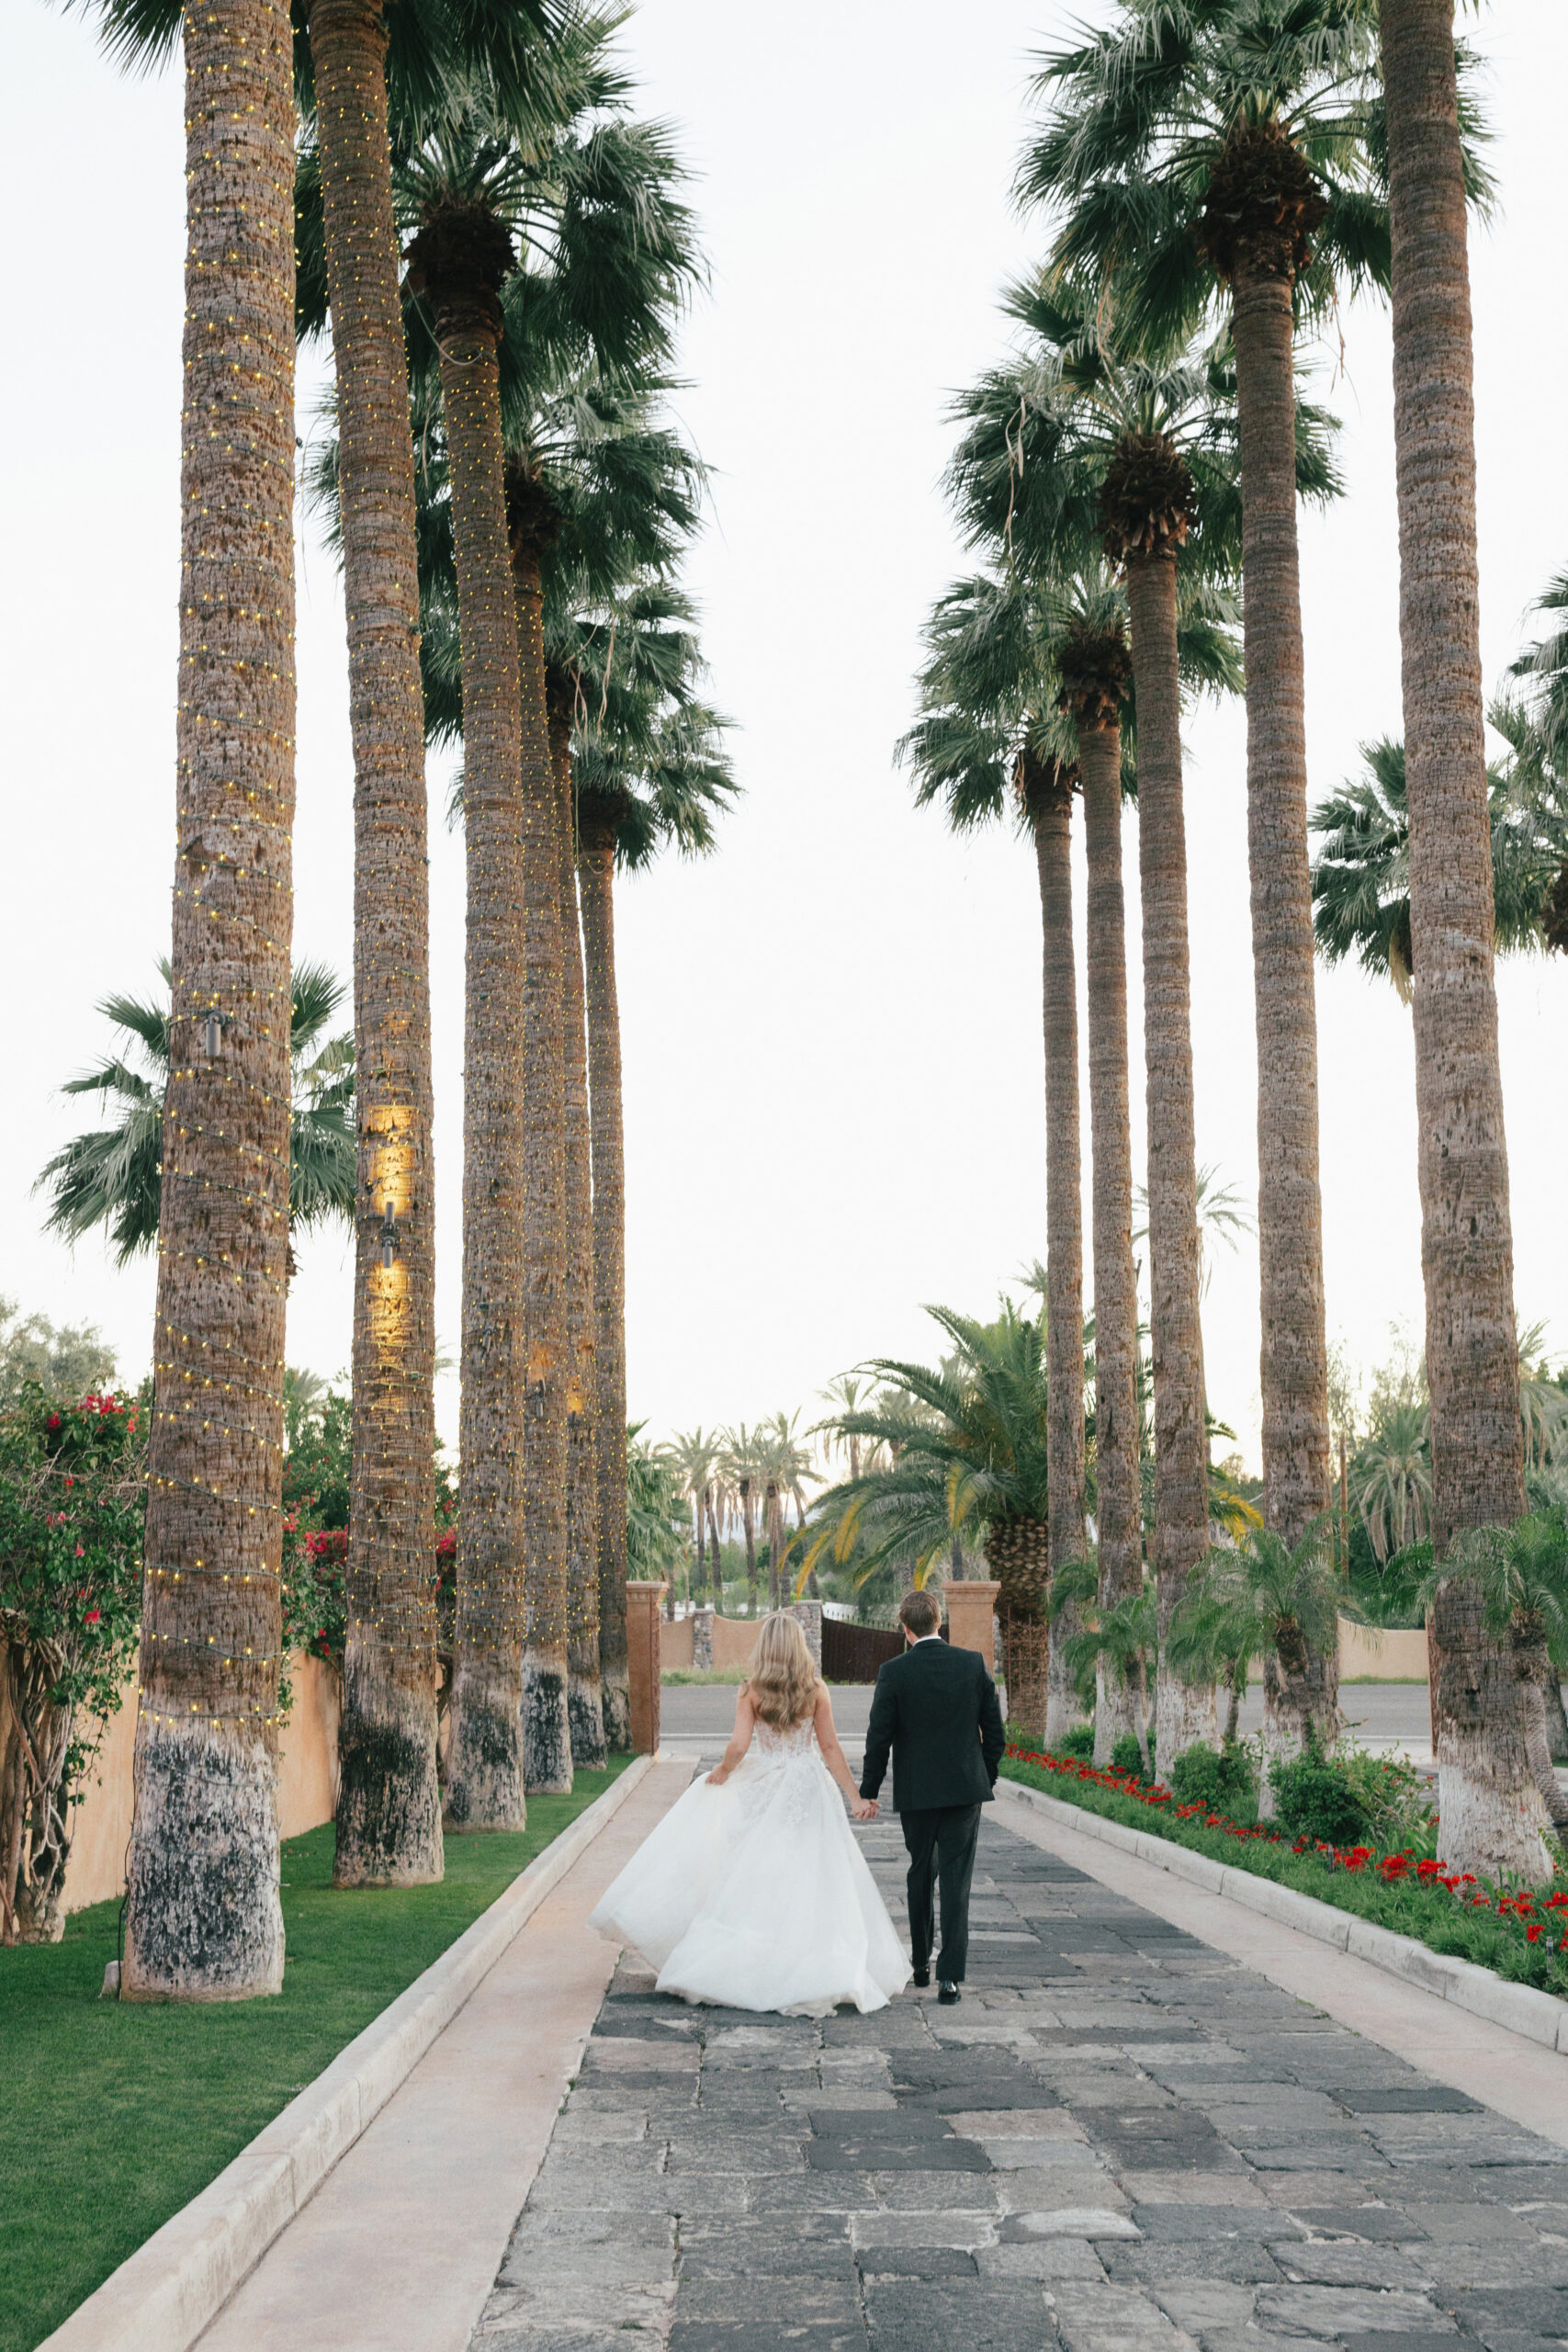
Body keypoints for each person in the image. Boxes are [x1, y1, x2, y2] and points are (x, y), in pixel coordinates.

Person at [588, 1611, 909, 2018]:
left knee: (757, 1867)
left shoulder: (751, 1690)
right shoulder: (816, 1689)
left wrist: (723, 1772)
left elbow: (739, 1746)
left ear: (765, 1647)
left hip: (765, 1783)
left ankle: (752, 1955)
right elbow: (829, 1748)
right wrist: (855, 1798)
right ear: (799, 1647)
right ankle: (811, 1957)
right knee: (812, 1868)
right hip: (809, 1785)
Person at [858, 1587, 1006, 2007]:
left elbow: (878, 1738)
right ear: (939, 1622)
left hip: (917, 1792)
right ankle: (950, 1980)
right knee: (957, 1883)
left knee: (920, 1871)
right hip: (964, 1791)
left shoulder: (893, 1672)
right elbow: (995, 1734)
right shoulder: (972, 1664)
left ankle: (921, 1963)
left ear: (905, 1629)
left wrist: (869, 1791)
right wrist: (984, 1776)